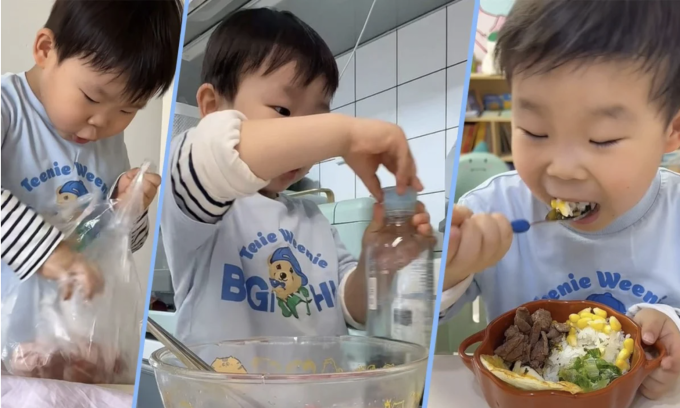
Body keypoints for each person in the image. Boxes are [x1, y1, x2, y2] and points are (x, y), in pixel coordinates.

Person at [443, 0, 680, 400]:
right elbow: (422, 317)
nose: (564, 170)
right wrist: (450, 270)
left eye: (602, 139)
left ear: (672, 131)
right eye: (535, 131)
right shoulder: (493, 210)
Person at [162, 8, 436, 346]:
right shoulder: (201, 204)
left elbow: (351, 309)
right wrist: (343, 134)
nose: (309, 138)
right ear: (212, 106)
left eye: (316, 119)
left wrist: (376, 262)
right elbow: (214, 151)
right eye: (283, 111)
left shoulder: (313, 220)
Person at [1, 0, 183, 300]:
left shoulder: (109, 140)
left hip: (63, 322)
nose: (102, 122)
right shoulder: (7, 107)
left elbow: (125, 246)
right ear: (46, 49)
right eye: (91, 97)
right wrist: (49, 251)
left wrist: (128, 210)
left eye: (127, 110)